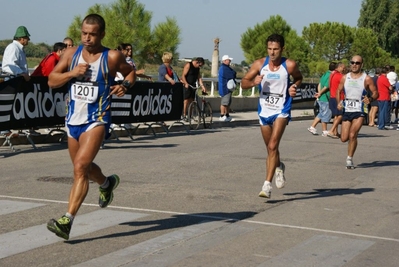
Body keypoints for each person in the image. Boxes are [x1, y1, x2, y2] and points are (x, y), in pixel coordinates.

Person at [46, 14, 136, 240]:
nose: (87, 38)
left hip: (98, 118)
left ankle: (67, 220)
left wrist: (125, 85)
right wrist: (71, 74)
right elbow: (51, 80)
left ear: (102, 34)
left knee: (80, 167)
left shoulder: (112, 56)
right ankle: (107, 183)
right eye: (84, 33)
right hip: (72, 120)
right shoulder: (71, 54)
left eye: (92, 34)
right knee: (83, 168)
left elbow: (131, 72)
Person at [240, 34, 302, 199]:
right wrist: (253, 82)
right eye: (269, 49)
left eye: (275, 49)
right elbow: (243, 82)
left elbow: (299, 78)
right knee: (270, 148)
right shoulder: (260, 64)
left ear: (282, 48)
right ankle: (279, 166)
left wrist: (293, 87)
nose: (272, 52)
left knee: (273, 145)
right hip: (264, 109)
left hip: (282, 108)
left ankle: (266, 185)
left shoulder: (289, 65)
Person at [336, 55, 378, 169]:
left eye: (357, 63)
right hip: (347, 109)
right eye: (352, 62)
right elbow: (338, 90)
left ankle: (349, 158)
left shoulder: (366, 78)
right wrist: (339, 102)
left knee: (352, 134)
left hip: (359, 110)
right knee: (344, 138)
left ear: (361, 65)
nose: (354, 65)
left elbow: (375, 93)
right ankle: (351, 144)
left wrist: (370, 99)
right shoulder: (345, 77)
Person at [1, 26, 36, 136]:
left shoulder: (19, 49)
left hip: (16, 80)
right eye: (27, 38)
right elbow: (8, 66)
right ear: (21, 38)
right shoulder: (13, 48)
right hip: (12, 80)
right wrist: (21, 73)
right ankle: (4, 130)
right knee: (8, 106)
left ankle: (7, 129)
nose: (28, 40)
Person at [307, 62, 334, 136]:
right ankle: (324, 131)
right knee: (326, 113)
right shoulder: (330, 75)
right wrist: (320, 93)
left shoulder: (324, 74)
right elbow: (326, 86)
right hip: (325, 97)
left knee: (321, 113)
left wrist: (319, 93)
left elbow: (319, 84)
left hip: (321, 97)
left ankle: (312, 127)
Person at [327, 62, 345, 139]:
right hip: (339, 97)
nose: (344, 69)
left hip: (332, 96)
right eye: (343, 67)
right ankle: (331, 130)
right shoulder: (341, 76)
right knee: (340, 115)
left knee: (336, 115)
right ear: (339, 67)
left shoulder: (332, 75)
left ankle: (335, 132)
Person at [218, 55, 236, 122]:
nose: (230, 61)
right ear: (225, 61)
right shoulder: (224, 68)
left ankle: (227, 115)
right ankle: (222, 116)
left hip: (227, 89)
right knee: (224, 103)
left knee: (228, 103)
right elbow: (232, 74)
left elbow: (233, 73)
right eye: (229, 60)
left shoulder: (226, 68)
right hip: (225, 88)